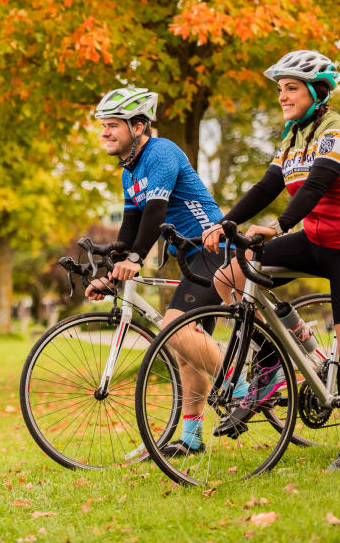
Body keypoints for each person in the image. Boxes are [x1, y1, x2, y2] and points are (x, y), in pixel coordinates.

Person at [201, 50, 340, 471]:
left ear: (316, 91)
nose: (283, 96)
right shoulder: (291, 137)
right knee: (231, 277)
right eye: (281, 89)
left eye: (291, 88)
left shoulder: (339, 129)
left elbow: (318, 183)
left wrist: (280, 225)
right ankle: (274, 364)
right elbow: (267, 185)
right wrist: (224, 222)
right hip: (317, 239)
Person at [88, 86, 229, 457]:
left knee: (175, 329)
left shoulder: (162, 151)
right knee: (186, 349)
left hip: (213, 249)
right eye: (102, 125)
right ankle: (192, 436)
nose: (104, 132)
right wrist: (109, 271)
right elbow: (130, 229)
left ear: (137, 126)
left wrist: (135, 259)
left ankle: (240, 386)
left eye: (112, 125)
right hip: (188, 257)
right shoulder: (129, 172)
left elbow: (155, 212)